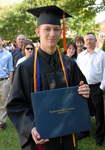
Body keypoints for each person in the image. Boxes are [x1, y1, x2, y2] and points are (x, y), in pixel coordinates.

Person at [7, 6, 90, 150]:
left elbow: (81, 98)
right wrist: (30, 127)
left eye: (56, 29)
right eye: (47, 29)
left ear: (61, 32)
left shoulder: (70, 64)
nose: (52, 34)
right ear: (38, 32)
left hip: (67, 138)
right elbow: (16, 106)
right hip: (41, 140)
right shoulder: (26, 68)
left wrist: (85, 93)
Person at [77, 33, 105, 146]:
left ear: (96, 40)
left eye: (91, 39)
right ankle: (84, 132)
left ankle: (99, 136)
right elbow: (77, 71)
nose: (88, 42)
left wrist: (101, 88)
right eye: (87, 40)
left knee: (99, 113)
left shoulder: (102, 54)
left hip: (96, 87)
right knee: (83, 110)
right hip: (83, 86)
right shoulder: (81, 55)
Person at [0, 35, 14, 129]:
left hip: (4, 81)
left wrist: (10, 82)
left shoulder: (8, 54)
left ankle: (2, 122)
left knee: (4, 103)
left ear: (2, 42)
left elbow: (11, 69)